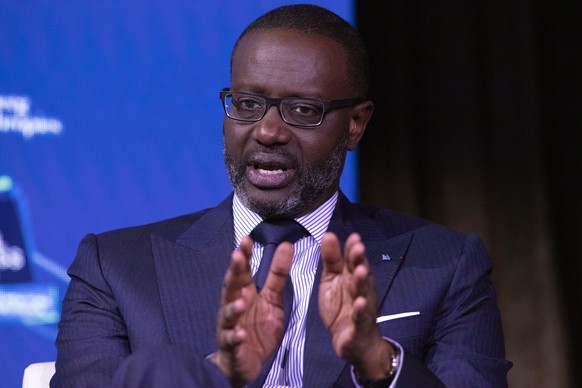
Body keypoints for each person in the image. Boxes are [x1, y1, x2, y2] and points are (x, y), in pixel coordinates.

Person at [52, 4, 511, 387]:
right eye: (247, 105)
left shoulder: (446, 264)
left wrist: (378, 361)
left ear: (356, 124)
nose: (268, 131)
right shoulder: (116, 267)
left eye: (302, 110)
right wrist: (218, 373)